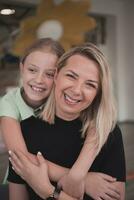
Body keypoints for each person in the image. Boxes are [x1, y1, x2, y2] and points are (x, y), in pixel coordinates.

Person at [8, 43, 126, 200]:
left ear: (98, 94)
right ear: (56, 76)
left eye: (90, 85)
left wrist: (47, 191)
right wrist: (83, 179)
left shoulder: (108, 134)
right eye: (71, 76)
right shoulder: (25, 130)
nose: (76, 90)